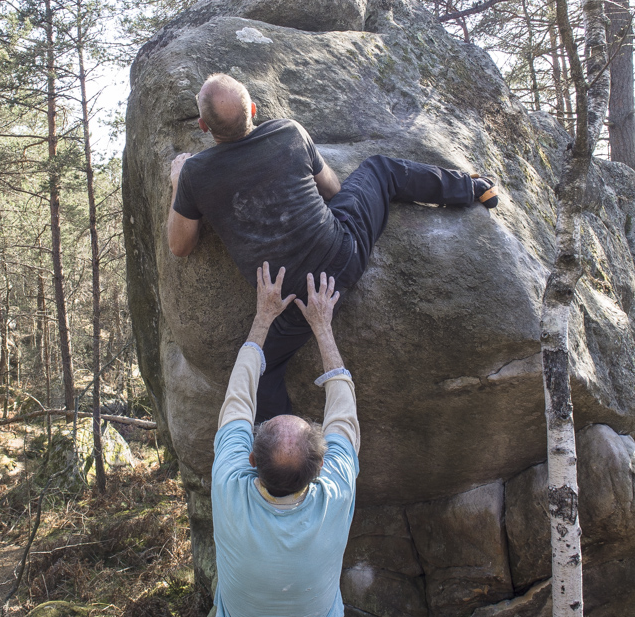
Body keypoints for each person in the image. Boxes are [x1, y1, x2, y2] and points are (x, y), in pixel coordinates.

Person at [168, 72, 498, 421]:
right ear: (253, 108)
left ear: (204, 126)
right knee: (380, 169)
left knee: (259, 374)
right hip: (342, 255)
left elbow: (180, 246)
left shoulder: (195, 174)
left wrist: (178, 182)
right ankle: (472, 188)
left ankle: (288, 462)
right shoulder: (289, 132)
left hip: (293, 301)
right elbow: (333, 190)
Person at [208, 262, 359, 617]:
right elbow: (344, 414)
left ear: (251, 462)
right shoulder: (334, 495)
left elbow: (237, 401)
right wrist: (323, 328)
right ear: (319, 468)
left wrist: (263, 318)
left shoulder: (229, 489)